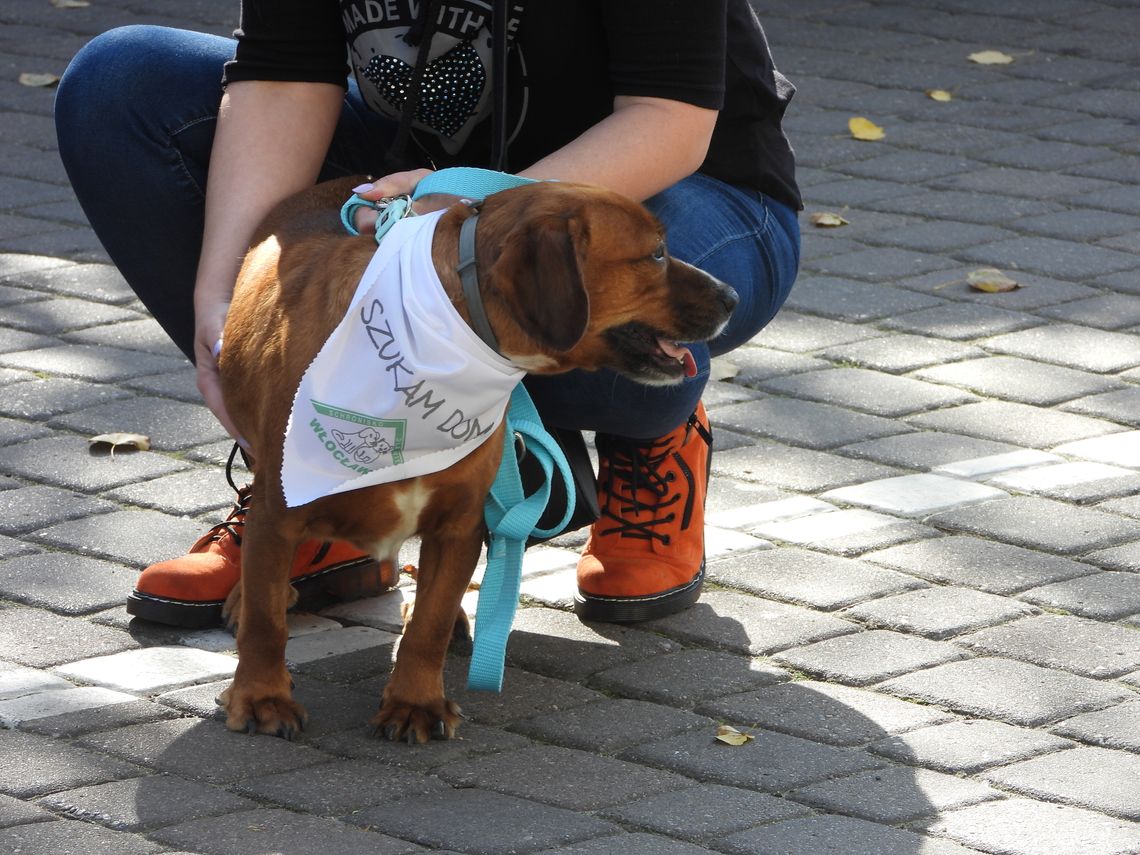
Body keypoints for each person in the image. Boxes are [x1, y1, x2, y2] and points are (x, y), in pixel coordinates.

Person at [54, 0, 801, 628]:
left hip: (680, 189)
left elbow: (668, 119)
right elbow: (282, 82)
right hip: (425, 179)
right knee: (121, 86)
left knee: (591, 299)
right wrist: (224, 301)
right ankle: (325, 487)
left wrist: (479, 212)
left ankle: (651, 439)